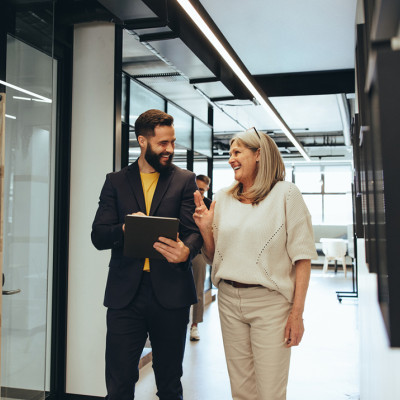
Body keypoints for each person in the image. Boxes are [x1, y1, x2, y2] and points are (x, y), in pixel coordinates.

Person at [193, 127, 317, 400]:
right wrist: (205, 229)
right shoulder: (224, 198)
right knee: (241, 391)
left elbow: (303, 257)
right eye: (229, 153)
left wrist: (297, 314)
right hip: (228, 299)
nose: (230, 159)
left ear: (258, 154)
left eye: (237, 152)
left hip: (271, 304)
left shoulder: (286, 194)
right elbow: (215, 257)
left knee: (270, 391)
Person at [91, 109, 203, 400]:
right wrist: (127, 228)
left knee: (169, 382)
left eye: (172, 143)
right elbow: (99, 235)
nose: (169, 150)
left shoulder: (184, 180)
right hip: (125, 296)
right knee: (119, 383)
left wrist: (186, 250)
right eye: (162, 143)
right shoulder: (116, 181)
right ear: (142, 141)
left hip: (171, 293)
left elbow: (194, 232)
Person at [190, 174, 212, 341]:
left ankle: (195, 325)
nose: (199, 192)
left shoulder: (210, 205)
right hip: (182, 249)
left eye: (202, 190)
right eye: (196, 188)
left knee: (198, 289)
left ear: (207, 189)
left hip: (199, 253)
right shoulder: (184, 202)